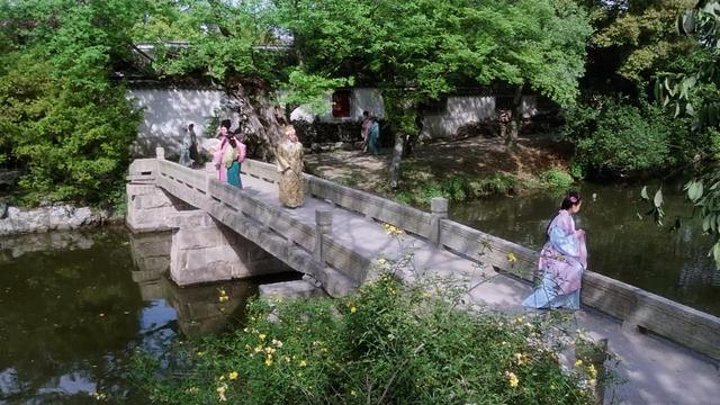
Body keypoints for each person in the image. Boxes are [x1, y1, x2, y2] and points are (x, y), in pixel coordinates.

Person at [522, 191, 587, 310]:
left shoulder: (568, 218)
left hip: (561, 252)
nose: (579, 207)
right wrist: (576, 236)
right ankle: (540, 301)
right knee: (572, 269)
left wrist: (575, 235)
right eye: (579, 205)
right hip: (553, 253)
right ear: (573, 206)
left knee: (576, 268)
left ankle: (562, 302)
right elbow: (559, 242)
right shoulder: (560, 219)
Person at [276, 125, 305, 208]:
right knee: (289, 185)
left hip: (297, 167)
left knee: (298, 185)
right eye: (291, 135)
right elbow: (279, 156)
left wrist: (301, 164)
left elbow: (302, 156)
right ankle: (289, 202)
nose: (293, 136)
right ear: (287, 136)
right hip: (287, 168)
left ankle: (298, 201)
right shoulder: (282, 145)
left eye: (294, 134)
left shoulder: (299, 145)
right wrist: (286, 166)